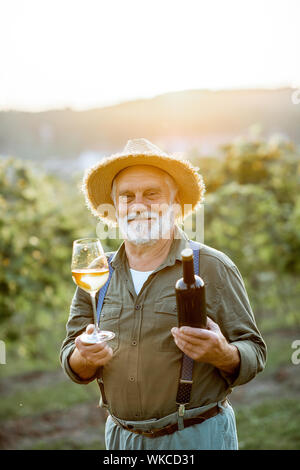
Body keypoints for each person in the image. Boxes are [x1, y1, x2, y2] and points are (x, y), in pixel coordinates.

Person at [60, 138, 267, 450]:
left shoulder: (211, 266)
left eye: (151, 194)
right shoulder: (97, 274)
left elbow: (254, 351)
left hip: (196, 437)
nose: (138, 204)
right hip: (121, 440)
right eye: (127, 196)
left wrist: (222, 354)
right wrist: (84, 357)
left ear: (176, 204)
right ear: (114, 209)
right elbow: (71, 358)